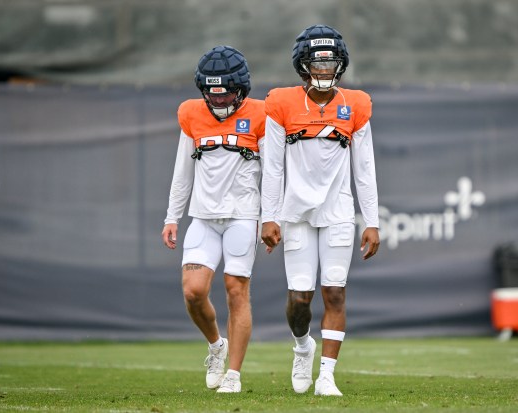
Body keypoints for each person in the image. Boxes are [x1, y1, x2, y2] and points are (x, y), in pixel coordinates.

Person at [261, 25, 380, 397]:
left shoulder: (355, 104)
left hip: (338, 212)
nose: (326, 70)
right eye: (319, 63)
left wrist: (372, 221)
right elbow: (273, 167)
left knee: (335, 292)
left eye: (331, 63)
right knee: (300, 298)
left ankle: (327, 375)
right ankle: (302, 347)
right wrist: (270, 215)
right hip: (296, 213)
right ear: (303, 65)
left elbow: (364, 167)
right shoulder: (281, 103)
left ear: (341, 65)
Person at [162, 45, 264, 393]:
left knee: (236, 290)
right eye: (212, 94)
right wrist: (172, 216)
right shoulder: (191, 114)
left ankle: (233, 375)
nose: (218, 102)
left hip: (242, 215)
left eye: (226, 94)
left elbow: (276, 171)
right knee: (193, 292)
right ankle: (216, 345)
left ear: (241, 89)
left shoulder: (262, 115)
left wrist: (272, 218)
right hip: (203, 216)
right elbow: (182, 171)